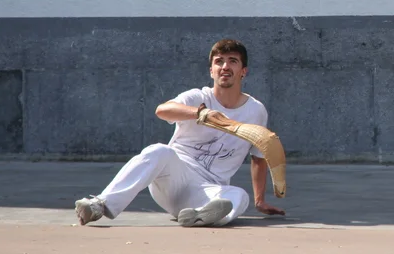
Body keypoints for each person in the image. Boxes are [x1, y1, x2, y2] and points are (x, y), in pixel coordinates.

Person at [74, 38, 285, 228]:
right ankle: (99, 205)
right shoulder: (197, 97)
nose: (225, 67)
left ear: (243, 71)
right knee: (159, 151)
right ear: (211, 71)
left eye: (232, 61)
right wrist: (201, 113)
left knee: (239, 196)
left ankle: (199, 216)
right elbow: (162, 110)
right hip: (173, 177)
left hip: (210, 188)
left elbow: (258, 157)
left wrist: (259, 200)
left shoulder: (256, 111)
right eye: (219, 61)